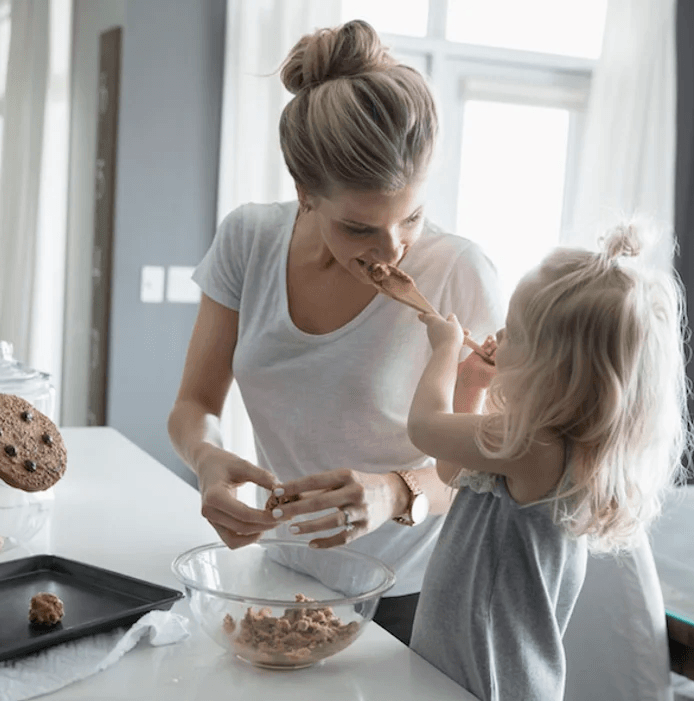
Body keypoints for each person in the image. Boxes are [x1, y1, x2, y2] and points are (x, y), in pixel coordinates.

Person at [167, 19, 505, 646]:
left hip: (415, 592)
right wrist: (208, 460)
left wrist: (396, 492)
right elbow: (193, 406)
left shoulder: (459, 272)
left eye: (413, 217)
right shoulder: (248, 240)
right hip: (283, 570)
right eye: (359, 228)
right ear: (303, 193)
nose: (394, 249)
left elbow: (499, 461)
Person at [406, 224, 692, 700]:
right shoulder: (536, 443)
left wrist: (442, 350)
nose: (498, 335)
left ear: (557, 368)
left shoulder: (535, 447)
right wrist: (473, 384)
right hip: (455, 675)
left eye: (514, 332)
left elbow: (424, 426)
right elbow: (450, 472)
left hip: (489, 682)